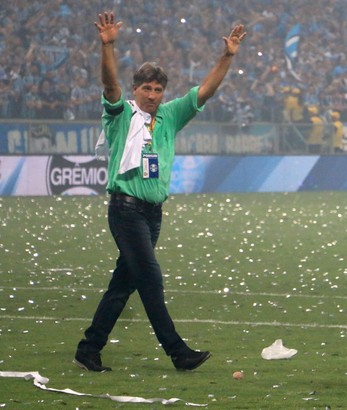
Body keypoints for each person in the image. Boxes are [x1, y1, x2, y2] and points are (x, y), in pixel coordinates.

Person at [74, 11, 247, 372]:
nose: (152, 95)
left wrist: (227, 55)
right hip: (125, 210)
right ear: (135, 90)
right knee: (150, 278)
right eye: (146, 89)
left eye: (157, 89)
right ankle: (177, 352)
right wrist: (107, 47)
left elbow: (206, 90)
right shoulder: (121, 115)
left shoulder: (169, 115)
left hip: (153, 214)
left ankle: (89, 348)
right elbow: (109, 85)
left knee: (124, 284)